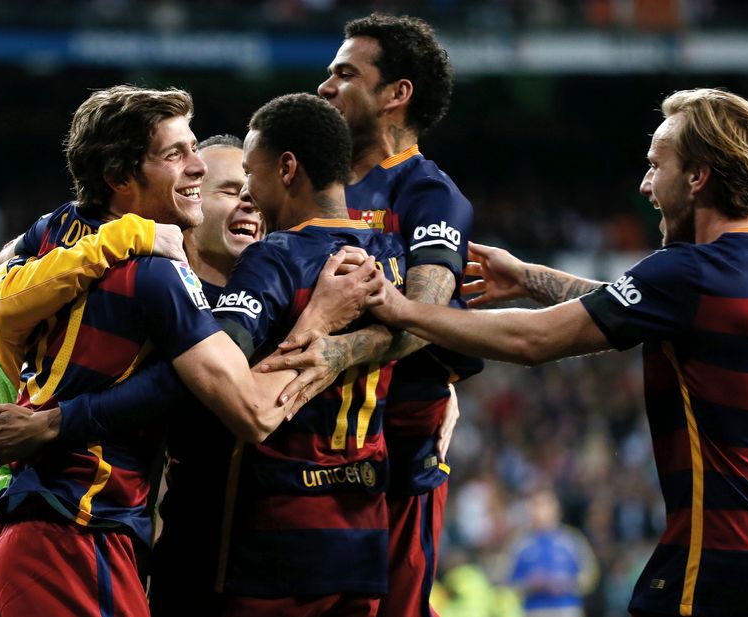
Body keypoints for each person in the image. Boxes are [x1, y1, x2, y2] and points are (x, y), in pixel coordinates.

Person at [369, 87, 748, 617]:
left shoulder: (689, 273)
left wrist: (401, 309)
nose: (645, 183)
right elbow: (652, 311)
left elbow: (531, 340)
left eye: (656, 166)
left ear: (697, 177)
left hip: (719, 567)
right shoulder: (730, 275)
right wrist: (531, 277)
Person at [0, 84, 341, 617]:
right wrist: (326, 327)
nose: (197, 167)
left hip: (40, 531)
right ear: (117, 177)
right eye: (175, 154)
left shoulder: (61, 232)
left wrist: (51, 417)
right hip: (78, 532)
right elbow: (252, 409)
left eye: (193, 148)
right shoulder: (156, 275)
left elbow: (1, 294)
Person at [267, 14, 482, 617]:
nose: (324, 87)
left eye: (344, 73)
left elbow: (427, 311)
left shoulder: (427, 194)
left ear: (396, 93)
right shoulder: (304, 183)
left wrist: (339, 352)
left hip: (394, 463)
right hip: (291, 452)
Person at [210, 92, 406, 617]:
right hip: (364, 536)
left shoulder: (273, 258)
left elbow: (221, 370)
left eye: (251, 172)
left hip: (280, 541)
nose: (248, 192)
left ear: (287, 167)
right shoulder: (388, 253)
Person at [504, 489, 598, 617]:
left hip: (567, 608)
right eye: (536, 505)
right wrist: (529, 585)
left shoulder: (572, 539)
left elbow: (590, 575)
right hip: (532, 610)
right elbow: (506, 581)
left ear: (556, 508)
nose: (540, 511)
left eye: (546, 504)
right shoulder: (519, 543)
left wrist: (566, 583)